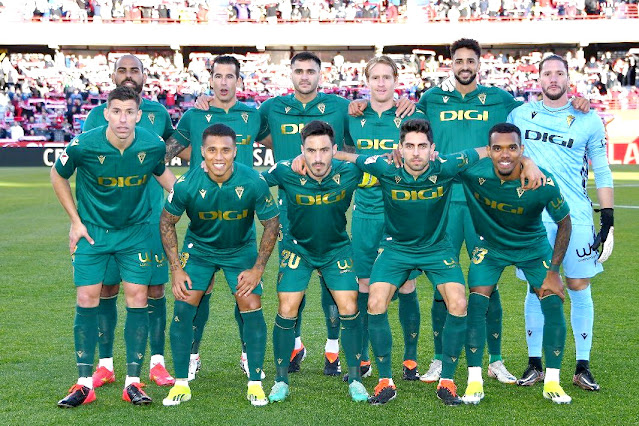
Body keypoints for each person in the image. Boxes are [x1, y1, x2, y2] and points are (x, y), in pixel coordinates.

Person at [413, 38, 587, 384]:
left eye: (471, 60)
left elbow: (535, 124)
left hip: (484, 204)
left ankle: (495, 360)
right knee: (441, 283)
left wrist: (576, 102)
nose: (465, 66)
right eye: (459, 60)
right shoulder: (430, 99)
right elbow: (412, 130)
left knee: (485, 285)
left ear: (479, 64)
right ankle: (436, 359)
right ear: (451, 64)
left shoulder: (501, 99)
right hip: (443, 201)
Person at [334, 118, 488, 406]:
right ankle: (385, 382)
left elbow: (489, 150)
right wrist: (307, 159)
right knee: (375, 302)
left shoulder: (446, 166)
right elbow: (349, 157)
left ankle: (448, 382)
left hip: (436, 248)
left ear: (433, 149)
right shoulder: (384, 167)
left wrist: (527, 162)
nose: (416, 153)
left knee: (458, 303)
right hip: (396, 249)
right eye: (409, 146)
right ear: (399, 149)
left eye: (422, 146)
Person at [53, 86, 176, 408]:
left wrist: (199, 188)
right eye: (117, 111)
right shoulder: (83, 144)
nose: (123, 119)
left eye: (129, 112)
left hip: (134, 233)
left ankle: (132, 382)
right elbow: (57, 175)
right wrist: (75, 221)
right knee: (86, 297)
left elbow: (170, 182)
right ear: (106, 113)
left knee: (138, 296)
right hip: (93, 233)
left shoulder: (152, 145)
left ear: (139, 114)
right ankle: (84, 383)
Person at [508, 54, 614, 391]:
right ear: (537, 79)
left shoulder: (587, 118)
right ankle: (534, 363)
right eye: (547, 74)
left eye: (559, 73)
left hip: (577, 215)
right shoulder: (520, 115)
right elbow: (506, 152)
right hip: (534, 217)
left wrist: (608, 218)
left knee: (579, 285)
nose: (553, 79)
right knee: (536, 287)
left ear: (569, 78)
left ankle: (582, 365)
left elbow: (602, 167)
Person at [159, 123, 280, 406]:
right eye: (212, 149)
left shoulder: (253, 181)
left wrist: (258, 269)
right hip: (199, 249)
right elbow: (167, 221)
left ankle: (256, 382)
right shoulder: (187, 184)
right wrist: (176, 269)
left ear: (235, 151)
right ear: (201, 151)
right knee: (184, 301)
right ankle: (180, 384)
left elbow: (272, 223)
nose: (219, 156)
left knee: (250, 302)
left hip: (240, 250)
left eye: (225, 149)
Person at [165, 55, 268, 381]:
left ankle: (247, 354)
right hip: (203, 224)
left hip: (241, 223)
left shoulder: (253, 116)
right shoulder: (194, 115)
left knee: (245, 294)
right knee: (200, 291)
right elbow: (164, 154)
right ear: (210, 80)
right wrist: (175, 186)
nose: (224, 82)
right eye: (218, 76)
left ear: (239, 81)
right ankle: (192, 356)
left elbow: (281, 141)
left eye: (230, 76)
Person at [459, 123, 573, 405]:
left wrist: (555, 271)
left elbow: (564, 224)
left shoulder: (542, 182)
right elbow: (439, 164)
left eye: (512, 148)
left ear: (522, 150)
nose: (505, 154)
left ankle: (553, 382)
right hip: (491, 247)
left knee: (553, 302)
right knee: (475, 304)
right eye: (497, 148)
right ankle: (475, 381)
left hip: (532, 248)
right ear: (488, 151)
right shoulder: (474, 173)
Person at [83, 54, 176, 389]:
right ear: (112, 75)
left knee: (154, 288)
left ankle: (157, 362)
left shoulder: (159, 114)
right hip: (106, 219)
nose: (127, 75)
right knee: (106, 287)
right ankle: (105, 364)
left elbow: (169, 154)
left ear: (144, 75)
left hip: (150, 216)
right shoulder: (96, 115)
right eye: (121, 69)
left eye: (134, 69)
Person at [262, 120, 368, 403]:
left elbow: (383, 166)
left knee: (349, 306)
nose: (318, 158)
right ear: (302, 151)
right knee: (287, 308)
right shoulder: (287, 170)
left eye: (324, 150)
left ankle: (356, 379)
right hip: (298, 250)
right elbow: (253, 181)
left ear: (334, 150)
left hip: (336, 250)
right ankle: (281, 380)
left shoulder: (349, 172)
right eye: (310, 151)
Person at [342, 55, 426, 381]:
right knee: (364, 283)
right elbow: (347, 157)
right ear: (367, 81)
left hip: (402, 215)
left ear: (395, 80)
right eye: (374, 77)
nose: (380, 83)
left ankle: (410, 357)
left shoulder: (410, 116)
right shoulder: (353, 117)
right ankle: (363, 355)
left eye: (386, 78)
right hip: (364, 213)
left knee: (406, 284)